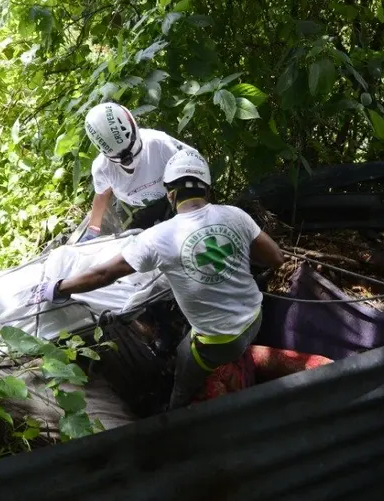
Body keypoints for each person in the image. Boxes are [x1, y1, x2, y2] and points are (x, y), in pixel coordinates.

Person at [29, 149, 285, 409]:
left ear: (170, 194)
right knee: (197, 334)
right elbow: (275, 258)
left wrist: (60, 287)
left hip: (219, 341)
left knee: (183, 375)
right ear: (206, 190)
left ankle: (175, 413)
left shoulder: (158, 237)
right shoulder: (235, 215)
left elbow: (105, 273)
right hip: (254, 316)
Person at [81, 102, 196, 241]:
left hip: (168, 198)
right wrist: (93, 230)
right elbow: (102, 194)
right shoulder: (102, 168)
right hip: (131, 208)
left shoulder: (159, 144)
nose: (129, 162)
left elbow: (190, 166)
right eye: (123, 159)